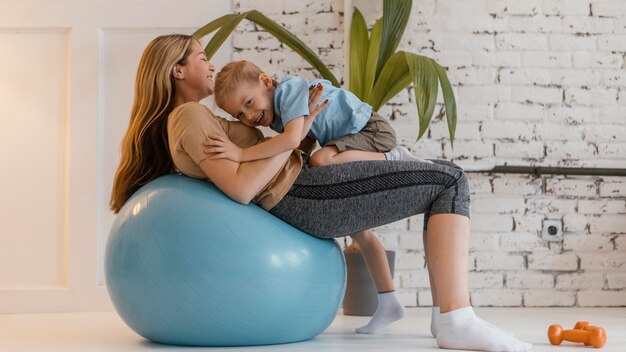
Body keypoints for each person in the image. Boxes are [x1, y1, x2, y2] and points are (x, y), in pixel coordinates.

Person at [110, 34, 532, 352]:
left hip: (305, 190)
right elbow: (240, 188)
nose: (211, 63)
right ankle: (456, 319)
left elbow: (245, 165)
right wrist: (292, 141)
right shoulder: (188, 116)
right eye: (201, 57)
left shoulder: (189, 116)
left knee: (445, 177)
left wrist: (290, 138)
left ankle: (449, 318)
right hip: (304, 195)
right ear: (177, 70)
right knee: (451, 180)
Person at [209, 60, 427, 166]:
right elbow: (305, 140)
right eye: (238, 115)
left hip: (371, 131)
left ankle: (394, 157)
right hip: (356, 135)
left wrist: (241, 155)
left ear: (266, 81)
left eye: (248, 103)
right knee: (314, 160)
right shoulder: (277, 113)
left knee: (321, 160)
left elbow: (292, 139)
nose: (248, 116)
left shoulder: (287, 92)